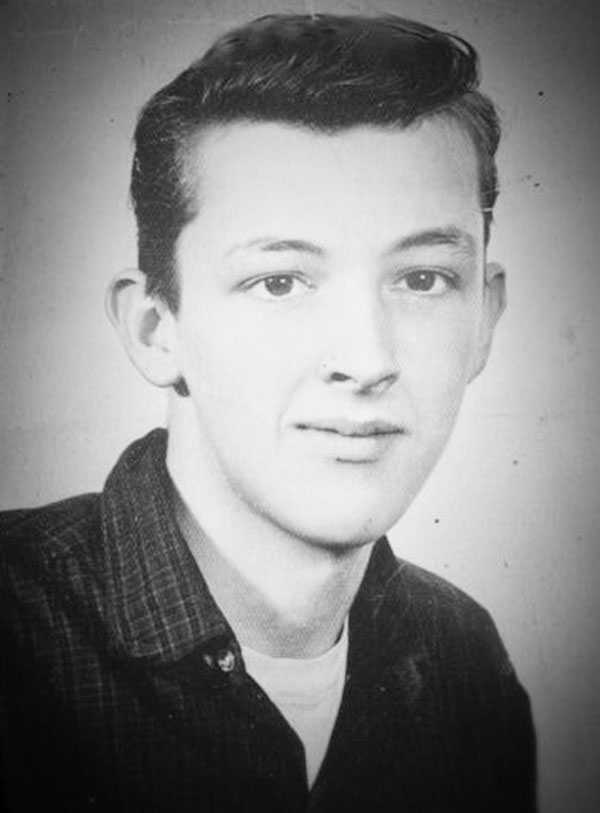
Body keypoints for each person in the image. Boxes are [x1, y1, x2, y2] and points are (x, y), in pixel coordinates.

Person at [0, 13, 537, 813]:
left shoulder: (469, 666)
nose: (367, 358)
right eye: (279, 281)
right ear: (155, 329)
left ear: (485, 317)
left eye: (422, 279)